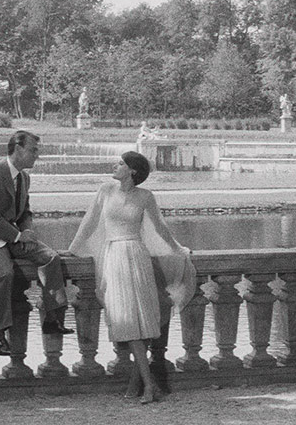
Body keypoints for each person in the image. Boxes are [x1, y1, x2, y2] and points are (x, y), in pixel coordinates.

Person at [69, 152, 196, 403]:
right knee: (127, 322)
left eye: (120, 164)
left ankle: (142, 384)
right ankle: (146, 384)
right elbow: (90, 222)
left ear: (133, 171)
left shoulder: (146, 196)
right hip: (114, 256)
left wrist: (178, 249)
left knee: (142, 322)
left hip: (137, 256)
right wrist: (73, 249)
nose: (115, 166)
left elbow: (160, 228)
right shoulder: (105, 190)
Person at [0, 131, 73, 357]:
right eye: (33, 150)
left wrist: (26, 229)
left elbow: (25, 211)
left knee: (50, 257)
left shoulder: (24, 178)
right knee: (5, 273)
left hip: (13, 233)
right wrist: (17, 236)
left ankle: (51, 319)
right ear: (18, 148)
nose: (37, 154)